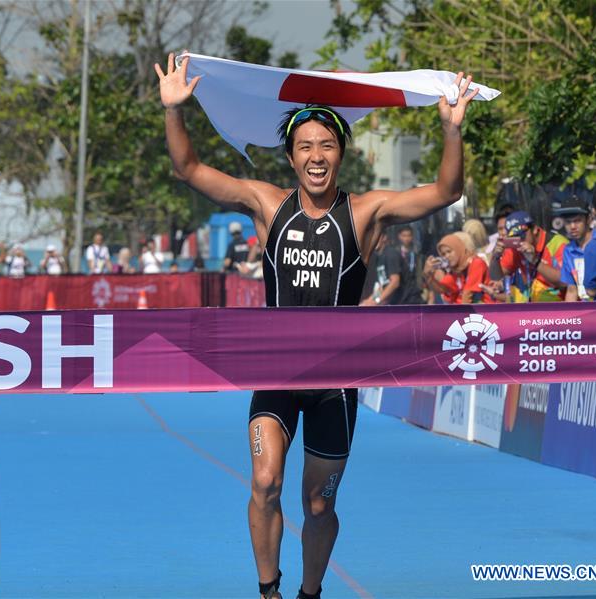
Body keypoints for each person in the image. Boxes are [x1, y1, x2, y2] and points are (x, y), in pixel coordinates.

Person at [156, 51, 479, 599]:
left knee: (319, 504)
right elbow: (189, 170)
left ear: (341, 154)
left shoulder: (365, 213)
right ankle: (269, 592)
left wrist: (451, 130)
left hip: (336, 385)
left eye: (326, 145)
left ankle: (310, 592)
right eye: (305, 146)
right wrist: (174, 111)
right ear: (289, 156)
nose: (316, 155)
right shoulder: (267, 205)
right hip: (276, 376)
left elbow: (445, 192)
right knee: (264, 483)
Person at [492, 211, 567, 302]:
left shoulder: (558, 244)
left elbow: (565, 282)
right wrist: (495, 257)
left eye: (522, 235)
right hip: (531, 308)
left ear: (535, 229)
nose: (519, 240)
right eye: (515, 237)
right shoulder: (516, 246)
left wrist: (536, 261)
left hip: (560, 308)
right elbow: (496, 277)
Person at [423, 233, 493, 304]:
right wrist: (428, 276)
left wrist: (460, 314)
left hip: (488, 311)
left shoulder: (476, 263)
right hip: (469, 312)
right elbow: (442, 289)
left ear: (458, 248)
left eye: (449, 251)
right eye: (443, 254)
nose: (447, 256)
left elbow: (468, 294)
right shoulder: (455, 270)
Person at [554, 196, 595, 301]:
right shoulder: (568, 250)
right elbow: (572, 290)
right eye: (568, 222)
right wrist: (568, 317)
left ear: (589, 219)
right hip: (586, 313)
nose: (572, 226)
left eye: (577, 221)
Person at [359, 231, 400, 306]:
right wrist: (368, 301)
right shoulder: (378, 257)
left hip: (408, 304)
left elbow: (395, 282)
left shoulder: (391, 254)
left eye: (377, 237)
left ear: (384, 238)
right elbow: (382, 286)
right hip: (394, 305)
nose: (373, 240)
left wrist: (376, 302)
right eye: (371, 238)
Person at [394, 225, 424, 304]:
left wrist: (421, 287)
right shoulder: (395, 253)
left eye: (409, 235)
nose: (406, 238)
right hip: (401, 291)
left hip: (414, 291)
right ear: (399, 236)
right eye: (404, 236)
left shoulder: (416, 252)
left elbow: (420, 271)